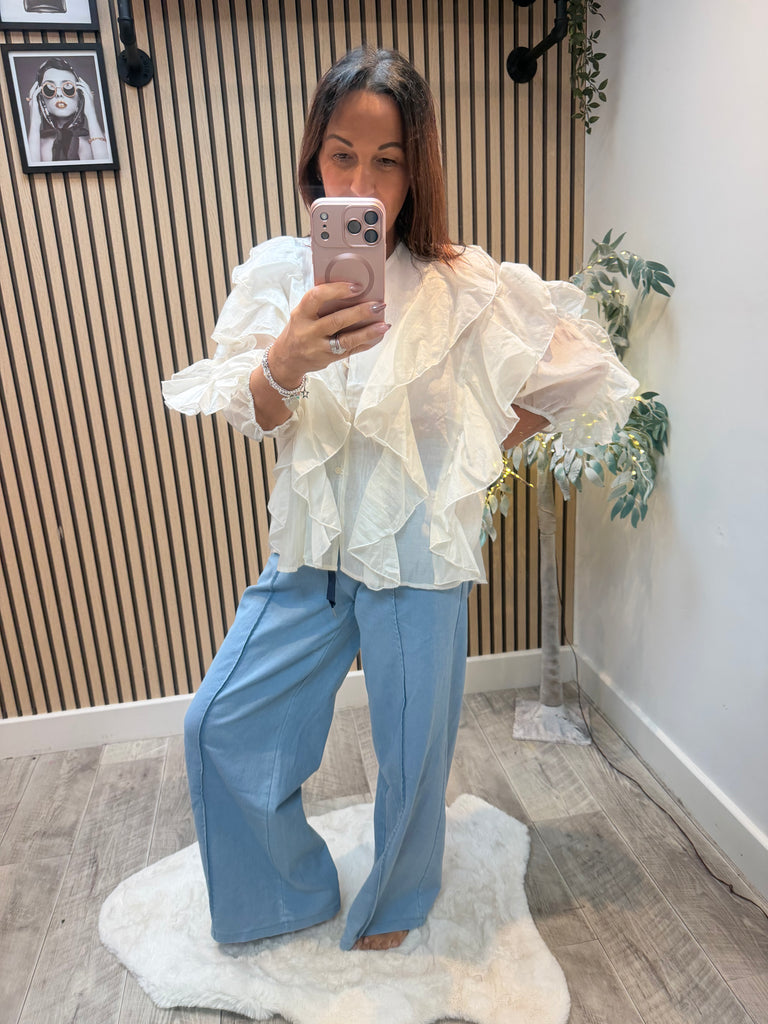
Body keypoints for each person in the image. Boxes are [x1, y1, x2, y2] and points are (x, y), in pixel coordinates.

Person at [162, 46, 637, 952]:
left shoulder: (462, 283)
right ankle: (281, 892)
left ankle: (397, 901)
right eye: (342, 154)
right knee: (220, 721)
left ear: (417, 170)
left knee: (414, 749)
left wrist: (469, 450)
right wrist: (283, 363)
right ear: (314, 156)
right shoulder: (277, 275)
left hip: (418, 556)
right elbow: (251, 413)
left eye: (387, 160)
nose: (362, 182)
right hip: (311, 552)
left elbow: (583, 369)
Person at [26, 56, 109, 163]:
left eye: (68, 87)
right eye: (49, 88)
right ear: (40, 97)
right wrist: (34, 122)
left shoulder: (103, 139)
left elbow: (106, 166)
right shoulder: (33, 143)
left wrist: (91, 114)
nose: (59, 94)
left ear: (80, 94)